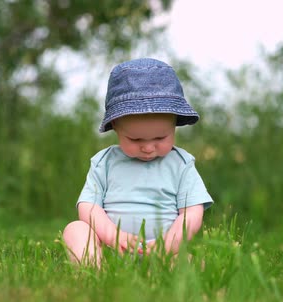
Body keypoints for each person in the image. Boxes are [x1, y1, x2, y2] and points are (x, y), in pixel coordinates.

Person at [63, 58, 213, 266]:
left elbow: (191, 213)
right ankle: (94, 269)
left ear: (174, 124)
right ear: (115, 126)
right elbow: (89, 207)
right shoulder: (104, 162)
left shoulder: (181, 163)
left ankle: (161, 269)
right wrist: (113, 237)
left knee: (189, 263)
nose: (148, 147)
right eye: (135, 139)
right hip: (110, 248)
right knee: (75, 229)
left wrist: (167, 245)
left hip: (164, 251)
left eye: (161, 138)